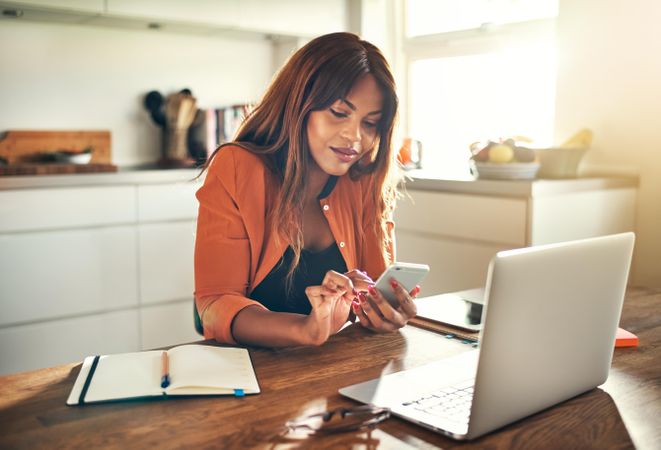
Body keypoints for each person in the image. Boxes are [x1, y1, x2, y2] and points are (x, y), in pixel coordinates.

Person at [194, 32, 420, 348]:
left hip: (329, 370)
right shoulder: (237, 167)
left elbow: (376, 291)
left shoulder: (364, 180)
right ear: (299, 105)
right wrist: (306, 329)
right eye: (339, 113)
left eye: (370, 123)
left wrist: (385, 312)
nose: (355, 136)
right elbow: (215, 303)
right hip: (248, 373)